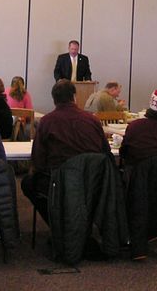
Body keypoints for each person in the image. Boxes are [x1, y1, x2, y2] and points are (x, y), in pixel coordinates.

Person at [21, 80, 110, 223]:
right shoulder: (93, 121)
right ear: (74, 97)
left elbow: (38, 160)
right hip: (92, 182)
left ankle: (57, 224)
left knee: (28, 184)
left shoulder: (46, 122)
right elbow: (106, 153)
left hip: (59, 182)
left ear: (54, 100)